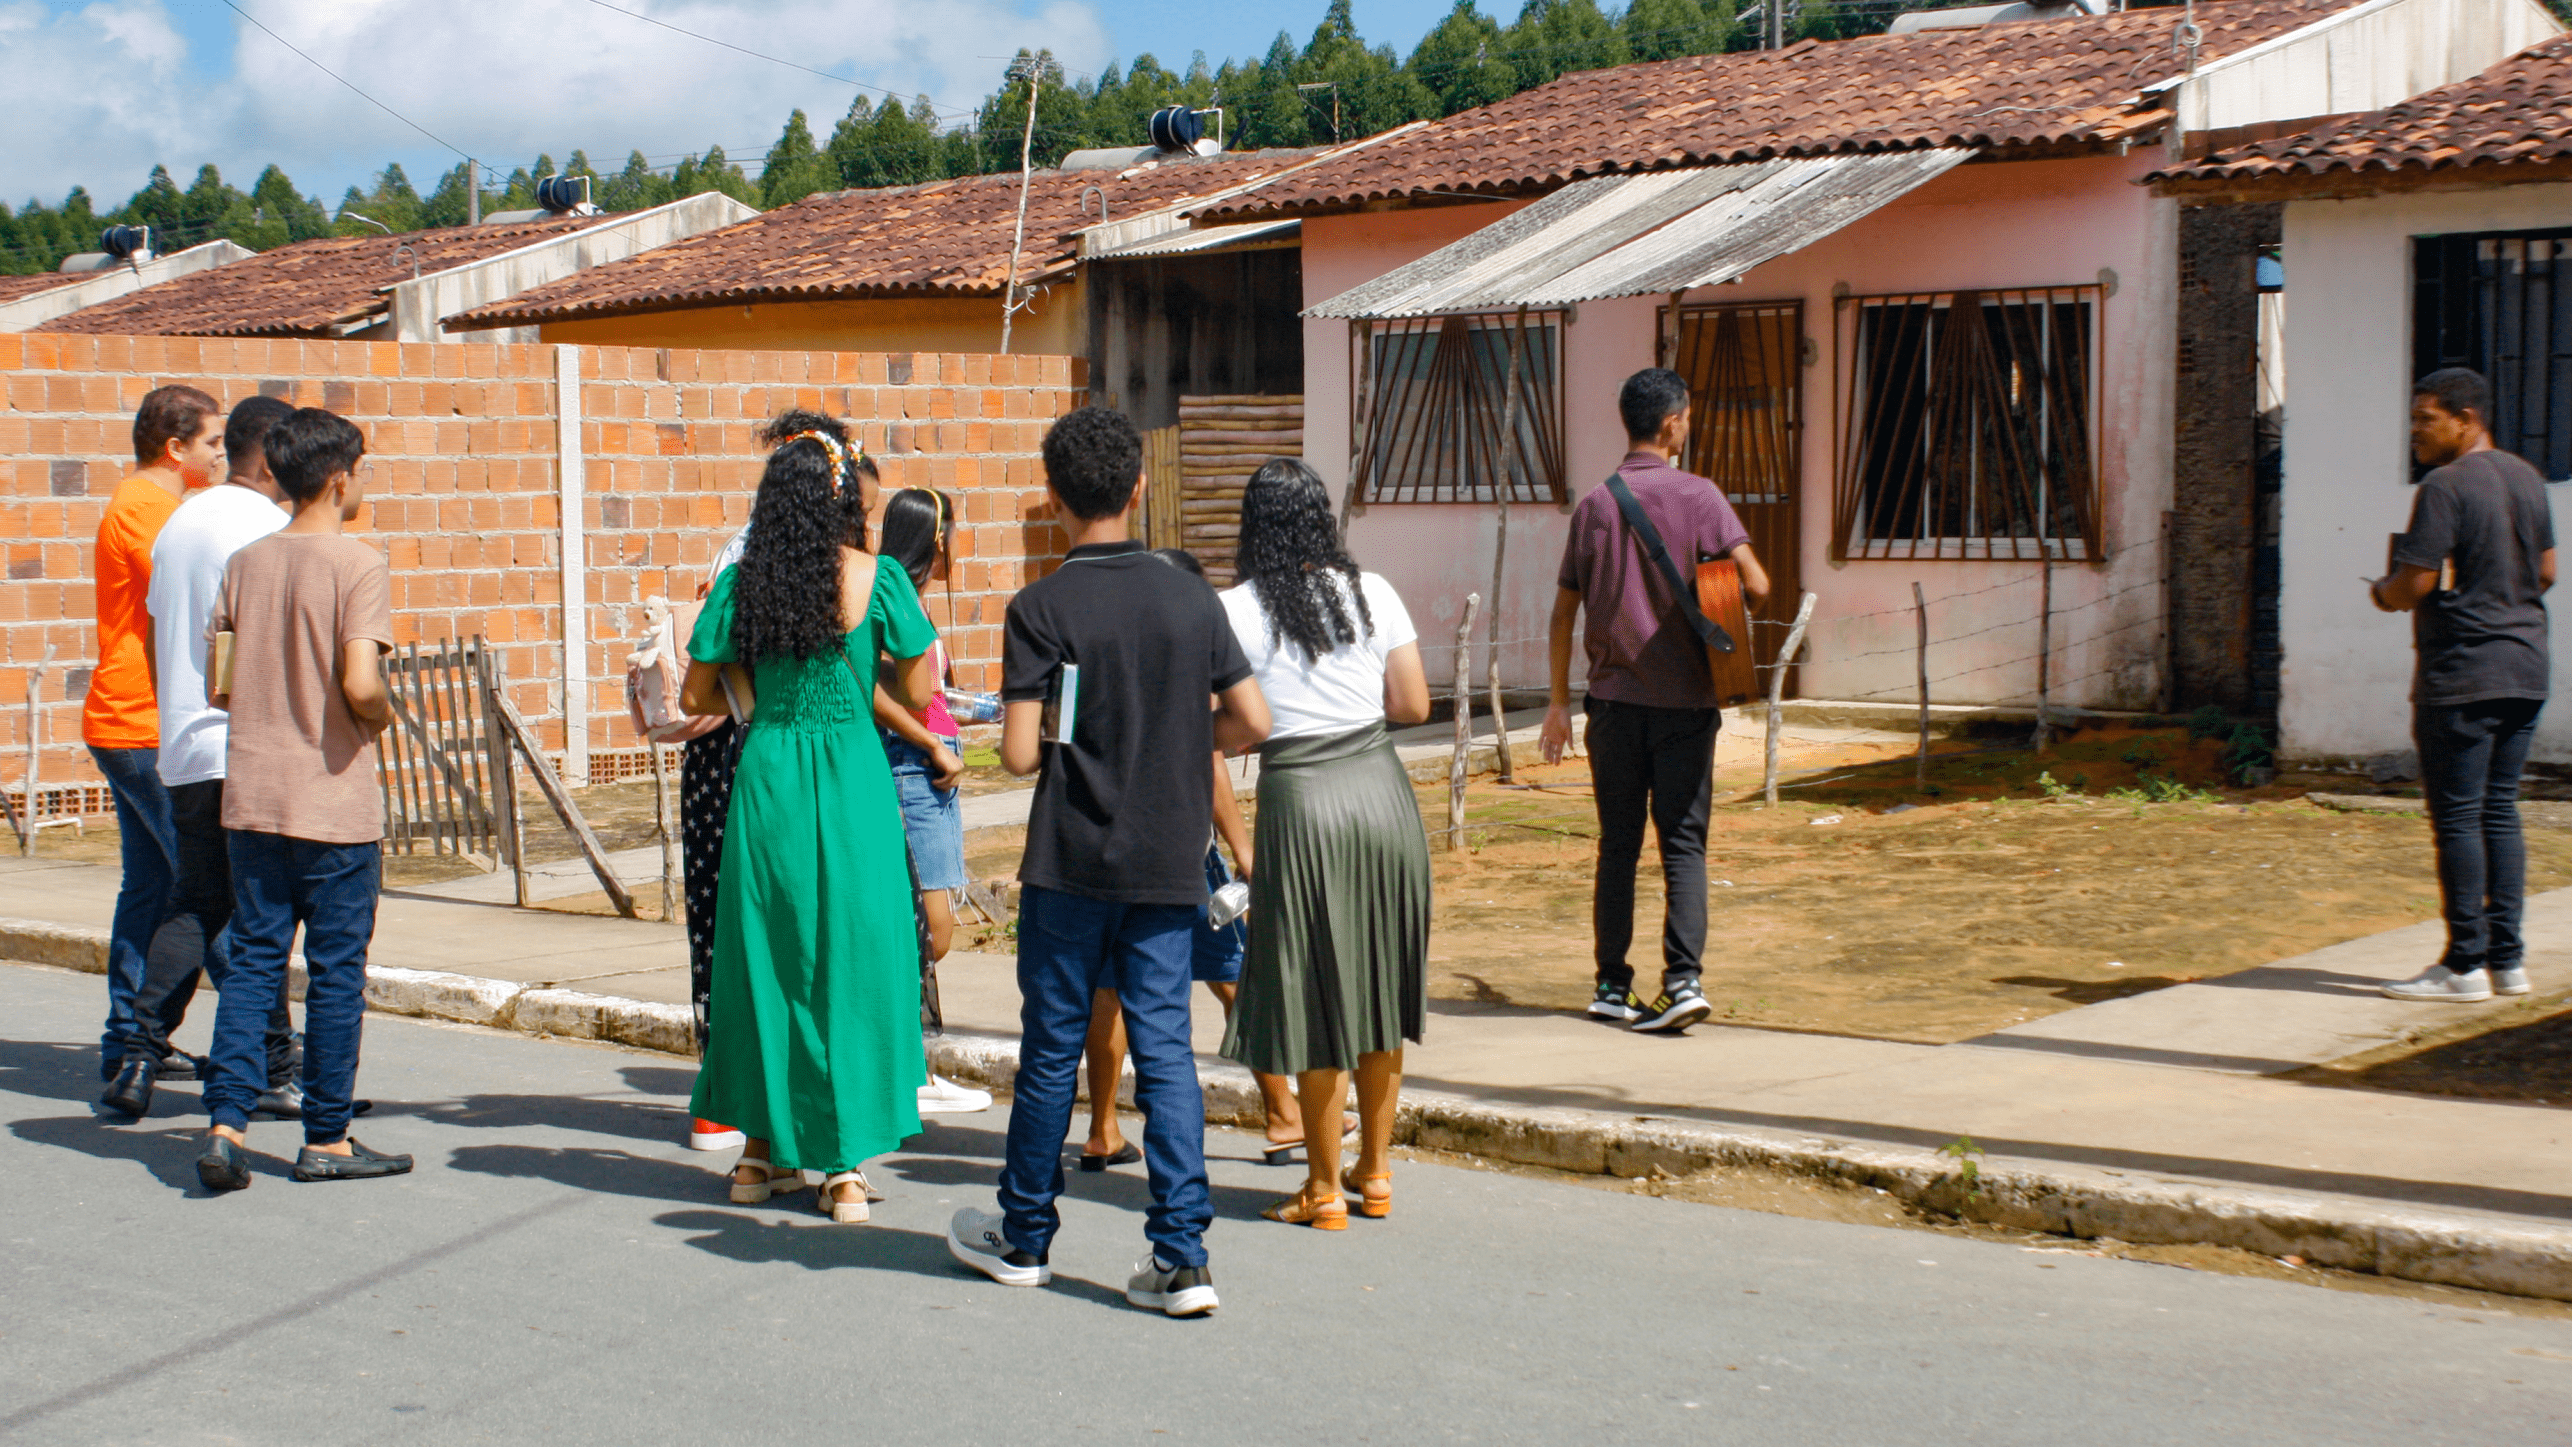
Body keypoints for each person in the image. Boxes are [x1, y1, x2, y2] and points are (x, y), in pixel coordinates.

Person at [946, 407, 1271, 1319]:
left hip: (1071, 859)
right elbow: (1253, 721)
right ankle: (1182, 1256)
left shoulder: (1039, 607)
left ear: (1052, 498)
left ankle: (1025, 1236)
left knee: (1052, 1050)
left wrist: (1074, 730)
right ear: (1138, 488)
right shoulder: (1190, 598)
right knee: (1167, 1053)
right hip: (1169, 859)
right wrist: (1174, 736)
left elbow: (1015, 755)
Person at [678, 412, 940, 1224]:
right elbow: (924, 690)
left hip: (769, 776)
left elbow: (694, 696)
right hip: (853, 776)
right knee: (853, 959)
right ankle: (843, 1167)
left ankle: (759, 1154)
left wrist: (760, 699)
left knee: (767, 959)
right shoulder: (880, 578)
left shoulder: (743, 581)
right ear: (841, 497)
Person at [194, 408, 408, 1190]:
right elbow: (360, 681)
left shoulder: (245, 562)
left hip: (252, 796)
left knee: (253, 963)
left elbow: (219, 681)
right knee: (334, 972)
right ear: (341, 476)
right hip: (332, 803)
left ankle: (225, 1121)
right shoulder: (358, 562)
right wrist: (383, 713)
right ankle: (328, 1137)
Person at [1216, 460, 1433, 1229]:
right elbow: (1412, 702)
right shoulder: (1373, 592)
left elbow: (1238, 722)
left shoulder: (1235, 610)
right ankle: (1375, 1175)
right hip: (1380, 791)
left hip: (1301, 802)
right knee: (1377, 988)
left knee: (1312, 998)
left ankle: (1322, 1188)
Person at [1079, 547, 1326, 1170]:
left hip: (1106, 846)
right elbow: (1215, 757)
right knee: (1233, 970)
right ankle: (1283, 1113)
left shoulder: (1105, 644)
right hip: (1180, 848)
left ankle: (1103, 1129)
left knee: (1108, 987)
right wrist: (1244, 849)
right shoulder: (1185, 652)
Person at [1540, 367, 1767, 1035]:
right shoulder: (1701, 496)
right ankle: (1683, 981)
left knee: (1617, 845)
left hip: (1610, 704)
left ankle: (1611, 985)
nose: (1687, 428)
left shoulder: (1594, 505)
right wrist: (1719, 592)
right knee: (1683, 845)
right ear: (1671, 424)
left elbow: (1562, 612)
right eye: (1687, 419)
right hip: (1687, 704)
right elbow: (1755, 583)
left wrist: (1558, 702)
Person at [135, 395, 298, 1117]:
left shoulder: (179, 522)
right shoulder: (268, 526)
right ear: (270, 456)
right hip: (249, 742)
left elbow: (153, 634)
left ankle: (138, 1052)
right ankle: (273, 1070)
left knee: (196, 904)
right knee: (262, 917)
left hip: (185, 744)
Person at [2370, 367, 2555, 1002]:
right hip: (2526, 668)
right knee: (2499, 812)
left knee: (2457, 819)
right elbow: (2548, 571)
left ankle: (2463, 966)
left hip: (2462, 674)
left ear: (2466, 421)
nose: (2415, 432)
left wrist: (2382, 593)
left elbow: (2415, 582)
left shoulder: (2444, 486)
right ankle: (2508, 962)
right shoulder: (2526, 479)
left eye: (2427, 419)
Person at [93, 385, 224, 1117]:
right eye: (211, 442)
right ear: (175, 448)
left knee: (149, 888)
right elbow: (188, 595)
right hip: (141, 721)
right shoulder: (150, 508)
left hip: (129, 717)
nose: (218, 454)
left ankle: (128, 1042)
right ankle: (264, 1050)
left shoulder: (151, 503)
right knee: (205, 893)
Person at [872, 485, 994, 1115]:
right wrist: (931, 740)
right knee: (929, 930)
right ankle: (901, 1062)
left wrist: (988, 711)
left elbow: (934, 694)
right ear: (937, 538)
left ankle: (907, 1062)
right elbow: (886, 692)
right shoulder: (888, 599)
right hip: (911, 775)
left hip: (933, 775)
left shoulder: (908, 598)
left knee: (927, 927)